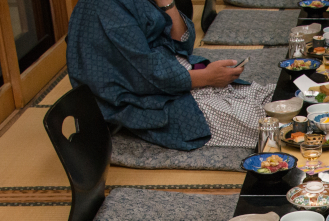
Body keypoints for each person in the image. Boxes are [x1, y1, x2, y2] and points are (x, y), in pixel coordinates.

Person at [67, 0, 276, 150]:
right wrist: (207, 78)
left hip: (172, 73)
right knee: (266, 130)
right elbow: (144, 74)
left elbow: (183, 42)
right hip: (139, 94)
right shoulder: (106, 8)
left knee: (272, 99)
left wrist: (167, 3)